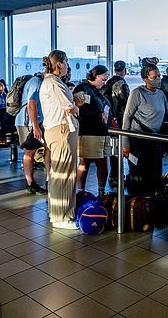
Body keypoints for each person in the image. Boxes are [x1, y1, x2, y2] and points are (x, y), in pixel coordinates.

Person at [122, 59, 168, 197]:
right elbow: (127, 118)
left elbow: (167, 114)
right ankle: (138, 204)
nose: (158, 80)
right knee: (139, 173)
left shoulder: (160, 94)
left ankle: (152, 203)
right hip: (138, 140)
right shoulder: (137, 93)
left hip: (155, 139)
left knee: (155, 173)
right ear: (145, 79)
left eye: (159, 76)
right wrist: (125, 144)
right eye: (154, 77)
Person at [39, 50, 81, 230]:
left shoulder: (51, 82)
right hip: (62, 131)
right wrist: (77, 107)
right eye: (67, 62)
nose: (68, 66)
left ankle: (61, 213)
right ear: (59, 63)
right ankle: (61, 217)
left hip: (58, 130)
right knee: (63, 174)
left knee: (60, 173)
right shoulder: (54, 83)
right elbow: (69, 108)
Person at [73, 65, 111, 197]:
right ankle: (81, 193)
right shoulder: (82, 89)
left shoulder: (97, 90)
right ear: (95, 76)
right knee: (85, 162)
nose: (104, 82)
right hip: (89, 131)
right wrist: (98, 115)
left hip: (102, 131)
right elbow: (80, 110)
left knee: (103, 161)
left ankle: (101, 191)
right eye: (103, 79)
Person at [15, 68, 48, 195]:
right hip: (27, 122)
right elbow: (31, 104)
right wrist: (35, 126)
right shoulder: (36, 82)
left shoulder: (40, 81)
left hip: (35, 121)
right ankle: (30, 183)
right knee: (29, 153)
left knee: (36, 151)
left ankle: (40, 181)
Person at [103, 60, 130, 189]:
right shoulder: (121, 84)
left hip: (110, 119)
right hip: (119, 120)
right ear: (124, 70)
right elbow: (127, 102)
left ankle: (114, 176)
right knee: (118, 148)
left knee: (114, 149)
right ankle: (116, 176)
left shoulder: (108, 82)